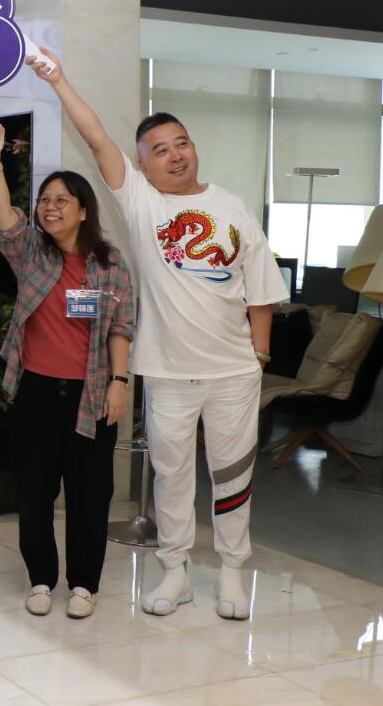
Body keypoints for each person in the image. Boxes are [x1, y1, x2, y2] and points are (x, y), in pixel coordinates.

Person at [28, 49, 288, 620]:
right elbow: (96, 138)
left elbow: (261, 292)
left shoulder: (233, 208)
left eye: (181, 143)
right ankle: (175, 572)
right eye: (160, 149)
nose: (175, 155)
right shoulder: (142, 203)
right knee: (171, 476)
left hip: (233, 374)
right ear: (142, 167)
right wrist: (59, 80)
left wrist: (260, 356)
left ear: (194, 149)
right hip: (167, 373)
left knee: (233, 475)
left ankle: (232, 570)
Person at [0, 125, 134, 618]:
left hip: (93, 393)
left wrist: (119, 382)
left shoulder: (110, 264)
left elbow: (121, 327)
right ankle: (41, 578)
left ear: (84, 210)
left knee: (90, 495)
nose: (50, 207)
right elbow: (4, 214)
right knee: (34, 491)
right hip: (36, 393)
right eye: (45, 200)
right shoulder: (31, 252)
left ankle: (84, 584)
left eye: (61, 200)